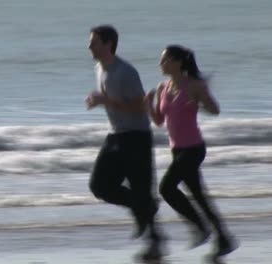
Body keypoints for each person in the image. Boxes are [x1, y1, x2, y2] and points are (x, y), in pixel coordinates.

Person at [146, 45, 237, 258]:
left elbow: (215, 110)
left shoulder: (194, 85)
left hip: (194, 148)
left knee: (166, 187)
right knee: (199, 196)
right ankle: (224, 239)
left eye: (165, 60)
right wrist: (149, 105)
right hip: (176, 150)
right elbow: (159, 121)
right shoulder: (163, 88)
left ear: (178, 62)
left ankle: (200, 227)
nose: (161, 64)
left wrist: (199, 102)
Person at [85, 24, 163, 261]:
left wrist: (105, 101)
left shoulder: (125, 71)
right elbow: (110, 101)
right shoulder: (100, 68)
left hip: (136, 136)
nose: (89, 46)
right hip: (115, 135)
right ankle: (145, 206)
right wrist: (100, 100)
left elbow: (139, 106)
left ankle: (154, 241)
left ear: (108, 44)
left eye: (94, 42)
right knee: (99, 186)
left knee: (140, 189)